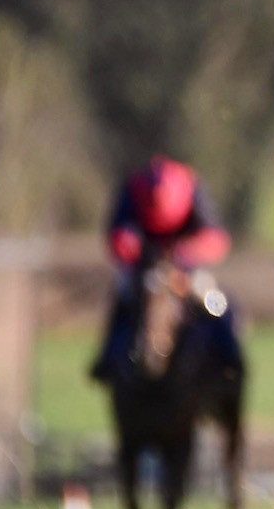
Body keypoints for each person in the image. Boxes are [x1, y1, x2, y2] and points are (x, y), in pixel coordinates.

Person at [89, 156, 242, 383]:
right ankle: (108, 359)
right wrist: (132, 247)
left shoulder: (192, 186)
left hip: (187, 269)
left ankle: (229, 358)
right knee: (123, 297)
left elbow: (215, 236)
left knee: (214, 303)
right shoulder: (133, 188)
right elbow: (117, 233)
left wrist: (187, 251)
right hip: (142, 266)